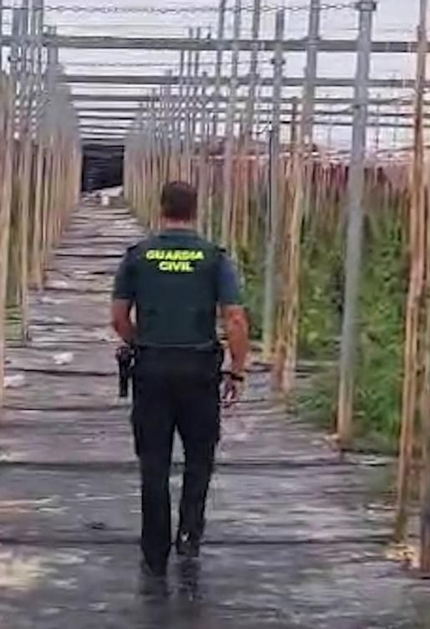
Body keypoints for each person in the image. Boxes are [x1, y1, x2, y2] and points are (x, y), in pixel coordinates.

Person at [110, 180, 251, 582]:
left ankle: (155, 549)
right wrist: (237, 368)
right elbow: (235, 318)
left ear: (161, 208)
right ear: (195, 210)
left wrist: (146, 343)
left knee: (153, 461)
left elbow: (119, 318)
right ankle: (189, 534)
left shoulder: (138, 257)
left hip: (151, 369)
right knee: (199, 456)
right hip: (199, 370)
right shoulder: (214, 258)